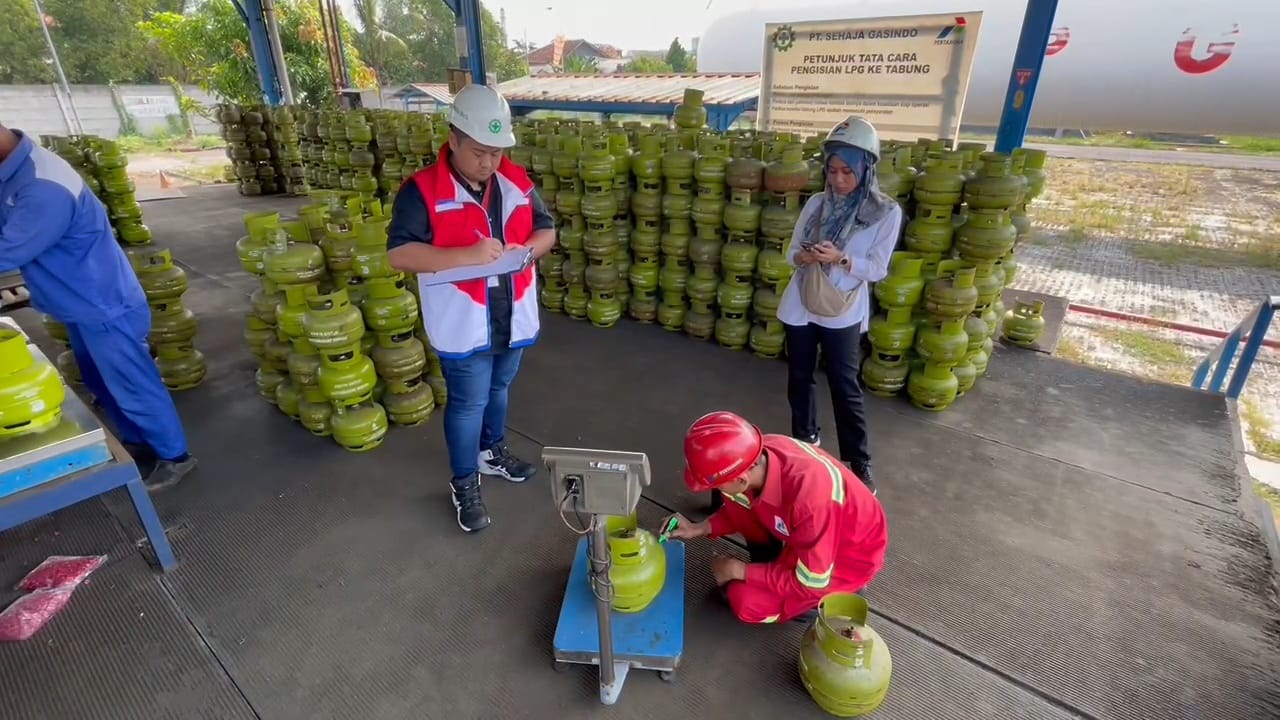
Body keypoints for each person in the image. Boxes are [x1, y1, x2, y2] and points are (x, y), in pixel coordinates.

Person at [386, 85, 557, 534]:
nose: (489, 163)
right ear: (454, 138)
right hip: (464, 320)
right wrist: (466, 255)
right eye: (480, 152)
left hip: (511, 311)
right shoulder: (421, 191)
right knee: (467, 403)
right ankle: (464, 483)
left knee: (499, 388)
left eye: (497, 153)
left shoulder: (516, 183)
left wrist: (528, 251)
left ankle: (491, 451)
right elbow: (400, 255)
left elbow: (547, 230)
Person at [0, 123, 196, 491]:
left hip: (102, 301)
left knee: (134, 385)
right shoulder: (15, 172)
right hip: (77, 301)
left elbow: (9, 249)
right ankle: (137, 442)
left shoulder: (42, 187)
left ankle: (175, 456)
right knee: (101, 380)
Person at [664, 411, 887, 624]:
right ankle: (775, 567)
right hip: (811, 535)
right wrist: (698, 528)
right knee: (738, 504)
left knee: (743, 601)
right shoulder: (755, 455)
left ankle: (828, 597)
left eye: (713, 484)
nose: (711, 489)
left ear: (741, 480)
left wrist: (739, 571)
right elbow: (739, 508)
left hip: (848, 556)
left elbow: (810, 582)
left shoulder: (810, 503)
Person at [777, 116, 901, 495]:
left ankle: (858, 461)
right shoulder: (816, 204)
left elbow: (877, 269)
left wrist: (841, 259)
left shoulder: (885, 213)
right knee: (799, 379)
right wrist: (805, 258)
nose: (839, 179)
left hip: (841, 310)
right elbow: (790, 252)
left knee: (845, 385)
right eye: (832, 170)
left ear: (867, 168)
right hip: (801, 303)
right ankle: (805, 442)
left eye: (848, 171)